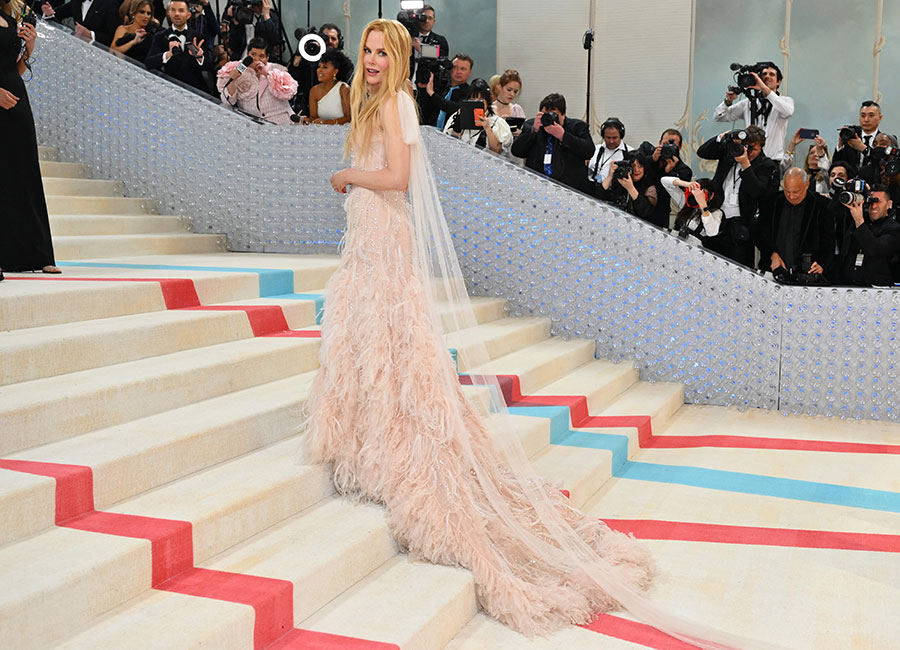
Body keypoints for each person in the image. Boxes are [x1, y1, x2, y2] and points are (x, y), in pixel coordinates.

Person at [315, 18, 767, 650]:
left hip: (381, 229)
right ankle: (373, 426)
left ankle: (396, 441)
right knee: (377, 343)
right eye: (363, 50)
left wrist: (347, 178)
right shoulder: (374, 101)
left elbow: (398, 178)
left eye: (379, 51)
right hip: (369, 236)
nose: (368, 60)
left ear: (396, 57)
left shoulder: (394, 101)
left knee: (394, 342)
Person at [0, 0, 59, 277]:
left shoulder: (9, 17)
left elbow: (16, 69)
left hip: (16, 97)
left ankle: (38, 253)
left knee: (26, 173)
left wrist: (29, 49)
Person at [696, 125, 780, 267]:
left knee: (739, 269)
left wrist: (746, 164)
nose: (748, 151)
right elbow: (703, 152)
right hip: (716, 220)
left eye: (753, 149)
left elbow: (757, 192)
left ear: (761, 147)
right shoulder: (730, 153)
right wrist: (722, 137)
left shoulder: (766, 165)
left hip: (741, 226)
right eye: (746, 146)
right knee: (710, 266)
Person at [753, 167, 834, 282]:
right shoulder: (772, 201)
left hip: (808, 275)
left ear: (806, 185)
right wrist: (772, 254)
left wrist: (822, 264)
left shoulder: (822, 205)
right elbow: (759, 233)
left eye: (796, 192)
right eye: (787, 191)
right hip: (774, 272)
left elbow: (829, 240)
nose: (791, 196)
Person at [511, 93, 595, 192]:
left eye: (553, 114)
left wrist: (563, 136)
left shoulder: (577, 127)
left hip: (568, 188)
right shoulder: (531, 125)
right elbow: (516, 151)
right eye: (545, 114)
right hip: (537, 187)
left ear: (563, 114)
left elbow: (589, 151)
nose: (549, 118)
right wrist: (533, 131)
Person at [714, 61, 793, 162]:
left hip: (773, 160)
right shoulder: (748, 102)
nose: (767, 77)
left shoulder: (786, 101)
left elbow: (787, 112)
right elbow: (719, 116)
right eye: (764, 74)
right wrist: (728, 101)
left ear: (778, 82)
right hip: (750, 159)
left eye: (772, 74)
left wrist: (764, 88)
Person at [216, 36, 297, 124]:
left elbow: (289, 93)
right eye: (253, 55)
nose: (257, 59)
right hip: (252, 124)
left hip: (281, 122)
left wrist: (267, 74)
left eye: (261, 56)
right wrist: (233, 80)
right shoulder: (236, 68)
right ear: (247, 54)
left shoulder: (277, 69)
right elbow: (228, 102)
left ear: (267, 57)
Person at [837, 184, 900, 286]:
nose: (873, 206)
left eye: (878, 201)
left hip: (876, 290)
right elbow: (833, 212)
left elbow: (876, 249)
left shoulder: (894, 228)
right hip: (847, 285)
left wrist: (859, 221)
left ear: (889, 204)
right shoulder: (858, 219)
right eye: (871, 201)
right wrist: (844, 188)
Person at [145, 0, 210, 94]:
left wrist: (199, 57)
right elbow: (149, 63)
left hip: (195, 89)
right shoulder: (160, 36)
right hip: (168, 88)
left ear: (188, 15)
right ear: (169, 13)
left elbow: (209, 66)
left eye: (181, 10)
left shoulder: (198, 37)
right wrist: (168, 54)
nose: (177, 14)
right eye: (173, 10)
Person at [443, 77, 512, 155]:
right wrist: (458, 122)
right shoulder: (456, 116)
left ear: (487, 101)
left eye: (480, 100)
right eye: (472, 99)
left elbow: (497, 151)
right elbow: (451, 143)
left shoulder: (497, 123)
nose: (476, 103)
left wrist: (487, 128)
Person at [644, 128, 692, 228]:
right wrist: (653, 160)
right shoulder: (649, 156)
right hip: (640, 210)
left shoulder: (684, 171)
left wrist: (669, 171)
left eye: (673, 145)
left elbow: (668, 192)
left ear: (679, 148)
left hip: (660, 215)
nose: (668, 148)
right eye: (665, 144)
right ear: (660, 143)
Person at [594, 151, 658, 222]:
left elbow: (645, 212)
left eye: (640, 166)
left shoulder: (649, 187)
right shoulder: (618, 180)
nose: (637, 170)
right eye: (633, 166)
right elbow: (598, 198)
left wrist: (630, 188)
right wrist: (610, 176)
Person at [661, 176, 723, 245]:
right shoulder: (686, 202)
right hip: (675, 242)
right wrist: (687, 184)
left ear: (711, 196)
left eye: (702, 193)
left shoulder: (716, 213)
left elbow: (712, 232)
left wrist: (703, 205)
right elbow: (664, 181)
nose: (697, 196)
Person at [418, 52, 471, 129]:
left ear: (469, 72)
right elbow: (426, 109)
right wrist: (423, 89)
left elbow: (455, 108)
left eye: (463, 69)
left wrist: (432, 94)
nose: (458, 72)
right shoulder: (441, 87)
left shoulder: (470, 92)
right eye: (455, 67)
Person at [41, 0, 120, 46]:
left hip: (99, 52)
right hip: (76, 47)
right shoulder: (76, 2)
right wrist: (48, 12)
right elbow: (56, 14)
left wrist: (91, 35)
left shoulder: (109, 4)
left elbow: (114, 38)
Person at [832, 100, 883, 171]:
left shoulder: (884, 140)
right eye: (863, 116)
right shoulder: (851, 137)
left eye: (871, 115)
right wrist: (840, 144)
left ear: (880, 118)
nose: (866, 119)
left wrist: (864, 149)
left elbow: (882, 163)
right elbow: (836, 165)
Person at [305, 48, 351, 125]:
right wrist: (308, 120)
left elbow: (348, 118)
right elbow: (313, 117)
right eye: (319, 66)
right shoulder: (314, 91)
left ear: (335, 71)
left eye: (325, 67)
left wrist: (327, 122)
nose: (320, 70)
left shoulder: (343, 88)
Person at [587, 117, 631, 186]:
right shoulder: (594, 150)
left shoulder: (630, 152)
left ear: (621, 136)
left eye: (615, 138)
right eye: (608, 138)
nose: (611, 141)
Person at [783, 129, 829, 194]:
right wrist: (792, 145)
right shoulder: (800, 176)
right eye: (812, 153)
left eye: (818, 153)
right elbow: (785, 171)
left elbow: (826, 169)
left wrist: (820, 149)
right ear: (807, 159)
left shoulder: (827, 177)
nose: (815, 155)